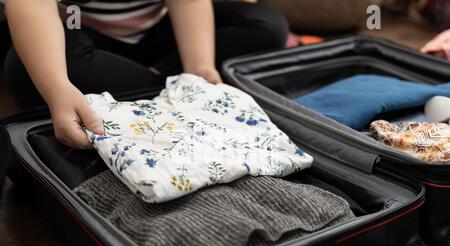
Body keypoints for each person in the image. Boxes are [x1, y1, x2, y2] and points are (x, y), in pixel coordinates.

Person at [2, 0, 288, 149]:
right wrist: (56, 88)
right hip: (76, 34)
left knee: (266, 25)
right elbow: (31, 6)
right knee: (26, 70)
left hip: (155, 37)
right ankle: (164, 89)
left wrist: (199, 67)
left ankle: (156, 83)